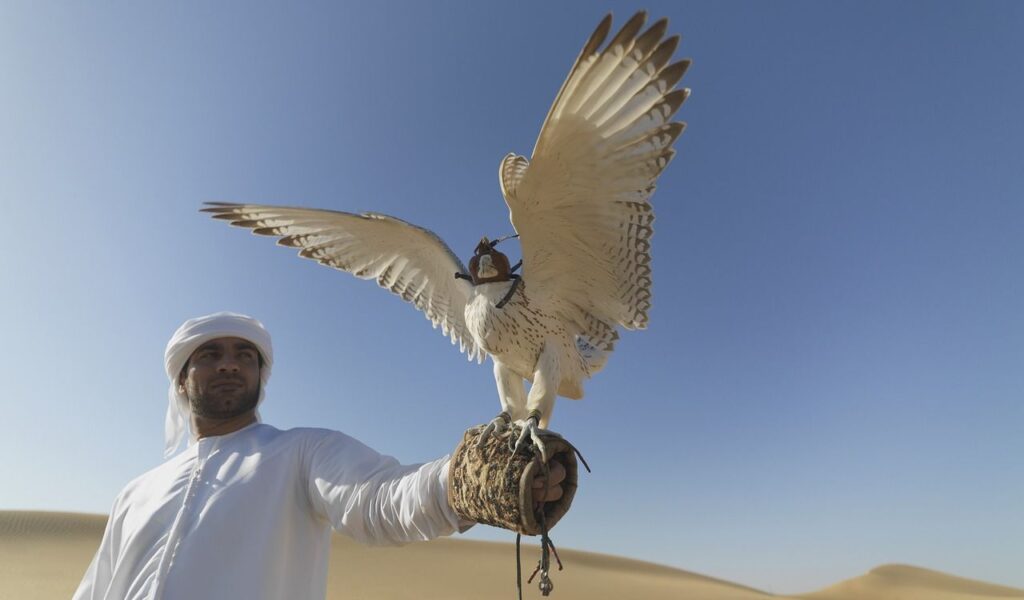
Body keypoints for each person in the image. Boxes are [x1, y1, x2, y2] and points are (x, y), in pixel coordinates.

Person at [73, 312, 566, 600]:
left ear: (260, 377)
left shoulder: (302, 453)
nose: (228, 363)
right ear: (182, 378)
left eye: (245, 356)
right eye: (209, 354)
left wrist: (464, 483)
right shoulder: (135, 493)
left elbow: (381, 499)